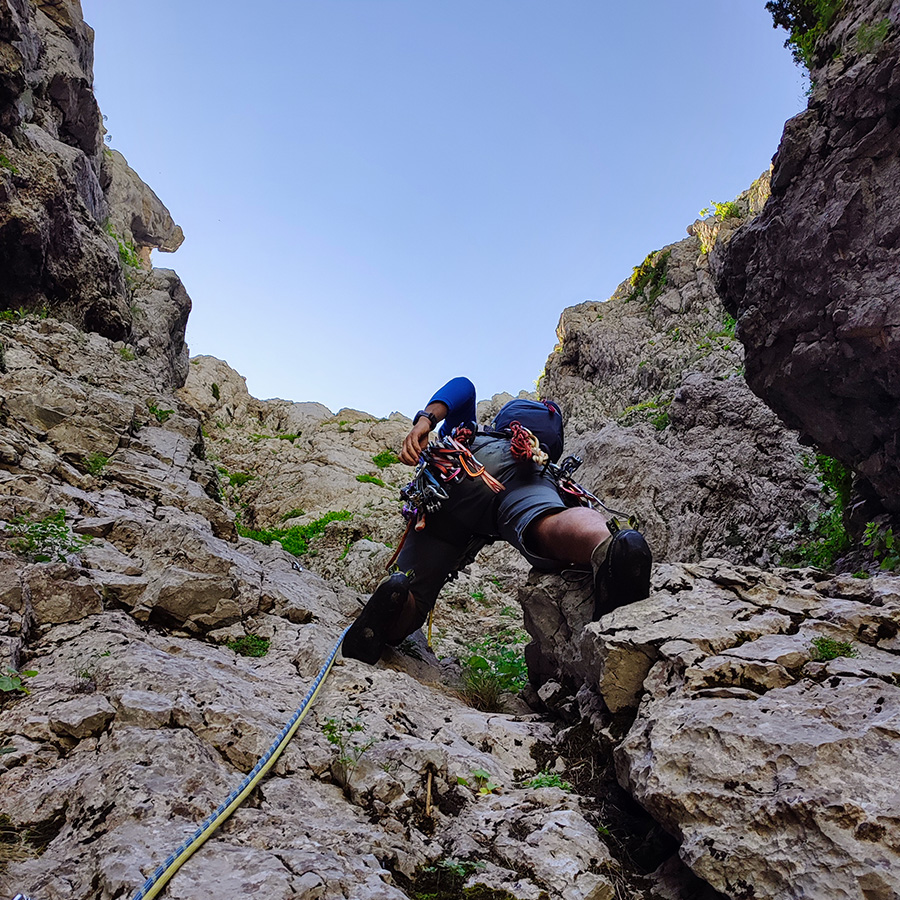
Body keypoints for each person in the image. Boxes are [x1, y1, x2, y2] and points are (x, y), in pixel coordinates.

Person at [342, 376, 651, 664]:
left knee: (415, 595)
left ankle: (395, 600)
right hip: (521, 468)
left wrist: (426, 421)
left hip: (461, 465)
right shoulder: (537, 458)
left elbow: (463, 385)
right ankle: (607, 544)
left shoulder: (473, 431)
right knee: (547, 522)